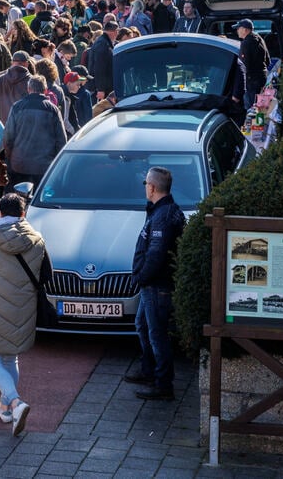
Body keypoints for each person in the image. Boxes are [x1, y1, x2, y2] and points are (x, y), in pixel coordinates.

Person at [0, 193, 52, 437]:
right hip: (24, 307)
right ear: (23, 214)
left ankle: (15, 402)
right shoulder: (37, 240)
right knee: (11, 358)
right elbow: (47, 275)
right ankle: (5, 408)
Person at [124, 167, 186, 402]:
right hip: (152, 285)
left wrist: (141, 277)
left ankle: (163, 384)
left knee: (156, 333)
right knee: (142, 325)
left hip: (156, 286)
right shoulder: (161, 211)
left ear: (152, 187)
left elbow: (156, 254)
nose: (145, 188)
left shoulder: (162, 216)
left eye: (145, 184)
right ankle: (148, 370)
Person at [2, 76, 67, 187]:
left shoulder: (17, 107)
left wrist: (10, 158)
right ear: (45, 90)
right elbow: (61, 140)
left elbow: (8, 137)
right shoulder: (53, 109)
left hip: (19, 164)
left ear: (29, 89)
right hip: (44, 166)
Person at [232, 18, 270, 109]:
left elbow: (243, 68)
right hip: (262, 78)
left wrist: (236, 93)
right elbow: (268, 60)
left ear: (245, 30)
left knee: (251, 110)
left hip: (252, 82)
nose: (237, 30)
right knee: (259, 108)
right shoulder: (259, 38)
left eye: (238, 28)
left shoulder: (246, 43)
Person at [0, 51, 33, 124]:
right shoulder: (31, 81)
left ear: (12, 63)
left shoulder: (0, 79)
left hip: (4, 125)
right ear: (27, 64)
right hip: (25, 126)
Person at [86, 20, 118, 101]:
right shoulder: (103, 44)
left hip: (104, 86)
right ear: (114, 31)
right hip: (102, 89)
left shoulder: (103, 42)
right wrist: (101, 89)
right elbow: (99, 67)